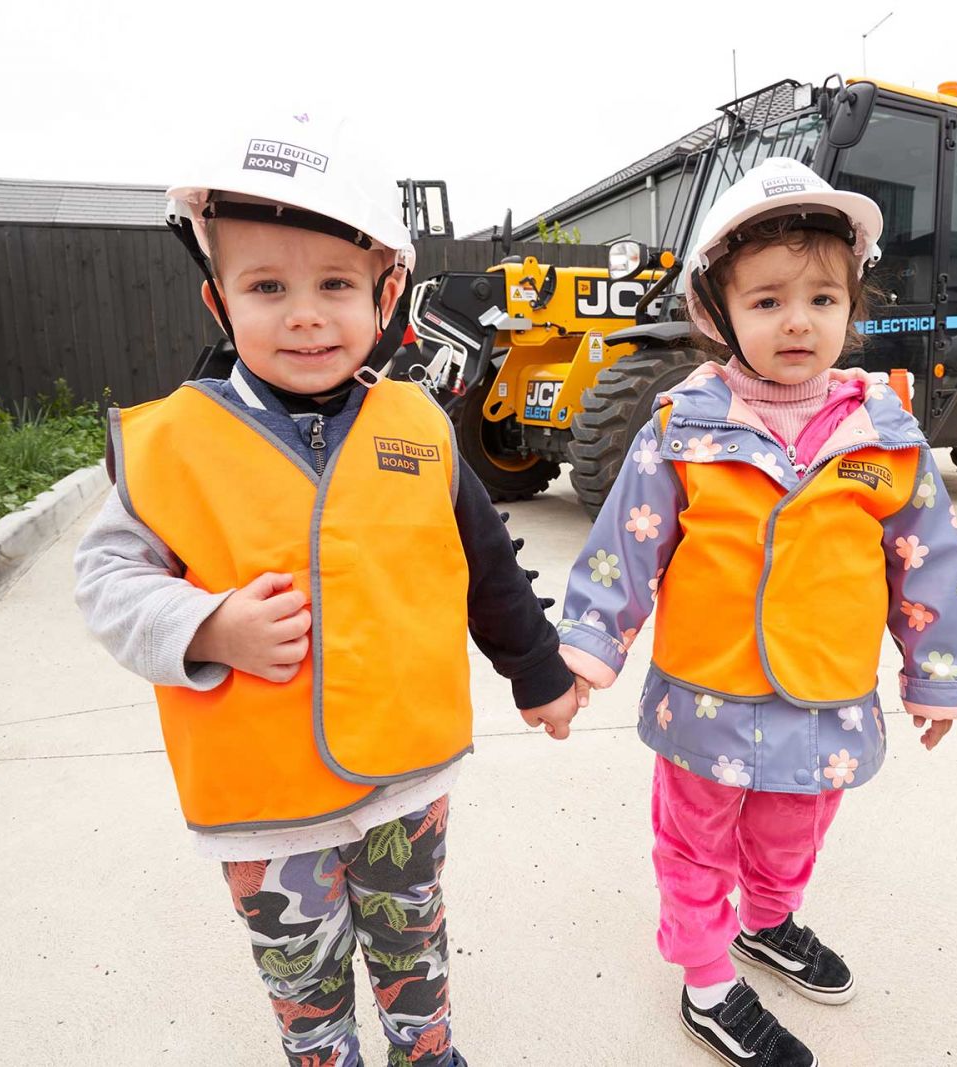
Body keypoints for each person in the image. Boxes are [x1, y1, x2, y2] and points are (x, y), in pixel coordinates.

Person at [74, 113, 579, 1067]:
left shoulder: (419, 425)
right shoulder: (169, 442)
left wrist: (540, 670)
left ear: (386, 295)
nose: (306, 314)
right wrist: (205, 624)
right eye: (268, 286)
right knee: (301, 976)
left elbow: (485, 561)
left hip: (405, 778)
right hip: (264, 802)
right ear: (218, 301)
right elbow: (105, 580)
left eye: (336, 285)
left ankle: (424, 1052)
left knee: (413, 943)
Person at [557, 157, 957, 1067]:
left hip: (826, 693)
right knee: (696, 837)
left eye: (823, 299)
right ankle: (707, 976)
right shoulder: (682, 423)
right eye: (767, 301)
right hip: (706, 694)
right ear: (720, 314)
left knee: (796, 826)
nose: (798, 320)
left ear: (850, 309)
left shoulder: (885, 434)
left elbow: (927, 565)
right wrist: (591, 641)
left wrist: (938, 671)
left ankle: (771, 918)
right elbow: (628, 542)